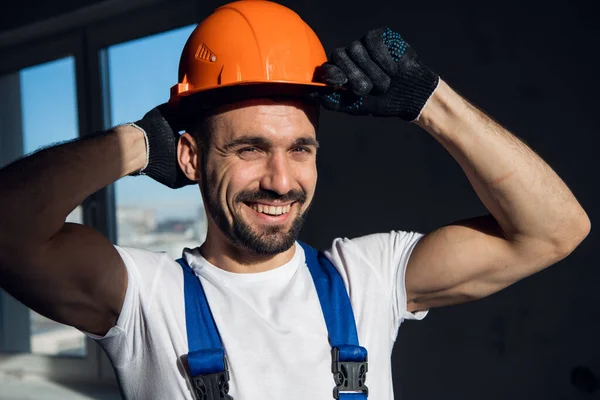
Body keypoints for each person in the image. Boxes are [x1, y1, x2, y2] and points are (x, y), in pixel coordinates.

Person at [0, 1, 590, 399]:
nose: (282, 181)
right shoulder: (142, 297)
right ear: (190, 160)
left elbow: (553, 230)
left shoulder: (369, 278)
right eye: (250, 150)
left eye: (300, 149)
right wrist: (133, 143)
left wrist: (429, 101)